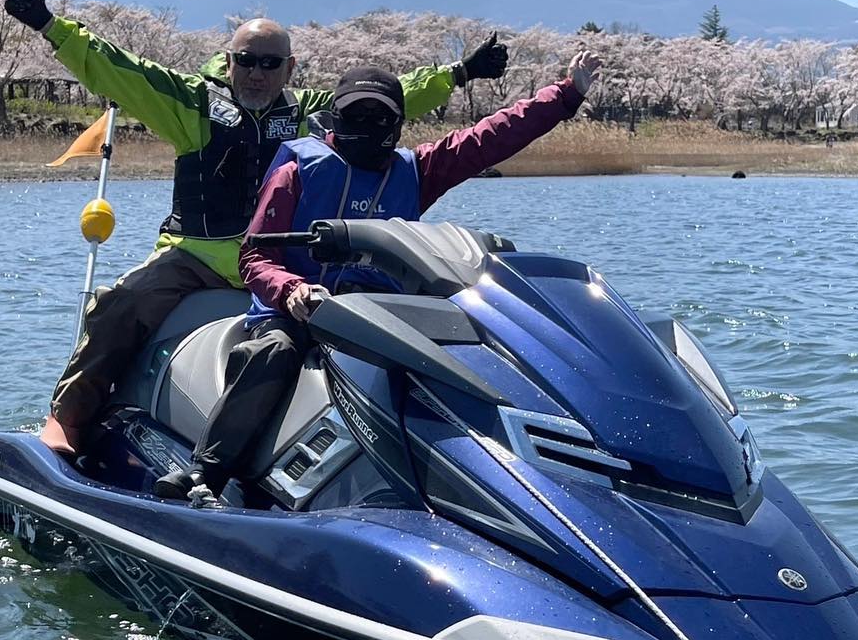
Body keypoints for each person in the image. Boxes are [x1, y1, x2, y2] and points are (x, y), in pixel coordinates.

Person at [3, 0, 510, 454]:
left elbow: (394, 95)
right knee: (123, 303)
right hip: (195, 258)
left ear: (289, 69)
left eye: (270, 63)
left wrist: (461, 71)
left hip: (278, 269)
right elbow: (123, 71)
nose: (256, 73)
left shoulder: (310, 114)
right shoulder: (192, 103)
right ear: (229, 63)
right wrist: (51, 26)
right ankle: (68, 418)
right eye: (246, 60)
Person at [156, 51, 604, 502]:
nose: (368, 124)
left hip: (382, 316)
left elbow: (491, 137)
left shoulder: (416, 171)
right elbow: (255, 256)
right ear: (336, 116)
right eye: (357, 113)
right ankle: (205, 473)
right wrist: (290, 290)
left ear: (397, 124)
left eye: (380, 115)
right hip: (299, 311)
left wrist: (567, 94)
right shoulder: (296, 172)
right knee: (274, 351)